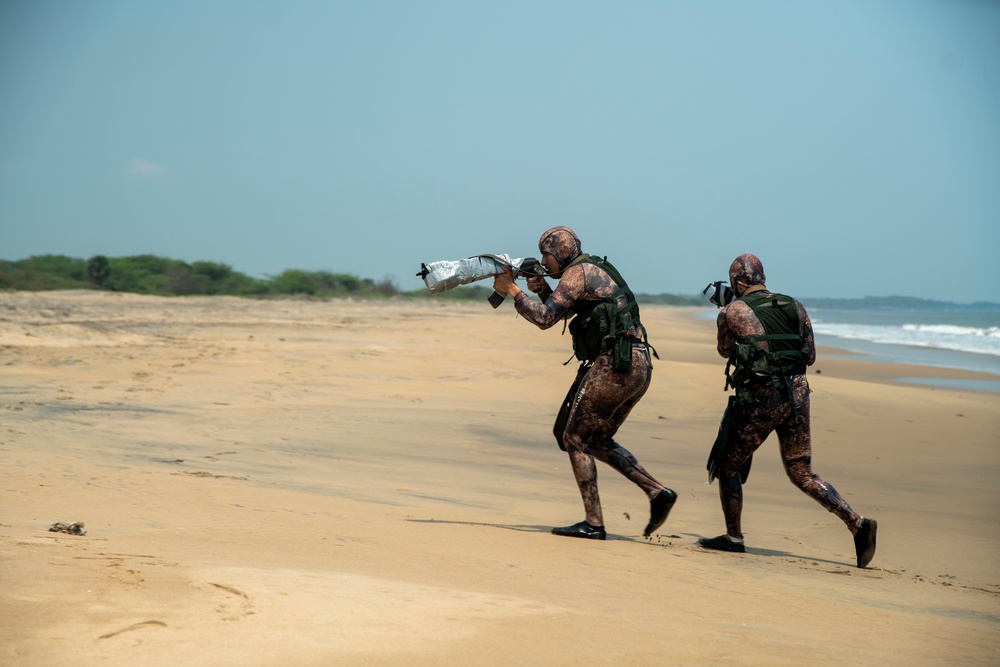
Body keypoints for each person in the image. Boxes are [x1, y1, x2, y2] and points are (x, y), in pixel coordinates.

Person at [492, 226, 677, 541]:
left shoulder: (576, 274)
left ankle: (594, 523)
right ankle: (657, 492)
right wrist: (539, 290)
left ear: (560, 252)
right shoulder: (593, 268)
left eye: (546, 256)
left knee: (575, 438)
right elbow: (563, 310)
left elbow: (544, 319)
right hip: (638, 364)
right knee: (599, 440)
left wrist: (512, 289)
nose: (544, 263)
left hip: (615, 365)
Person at [700, 253, 877, 568]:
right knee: (801, 471)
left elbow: (724, 350)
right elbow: (809, 356)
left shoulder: (732, 311)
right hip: (797, 397)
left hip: (760, 399)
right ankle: (856, 522)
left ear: (739, 282)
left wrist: (729, 316)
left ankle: (734, 539)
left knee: (728, 465)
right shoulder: (795, 305)